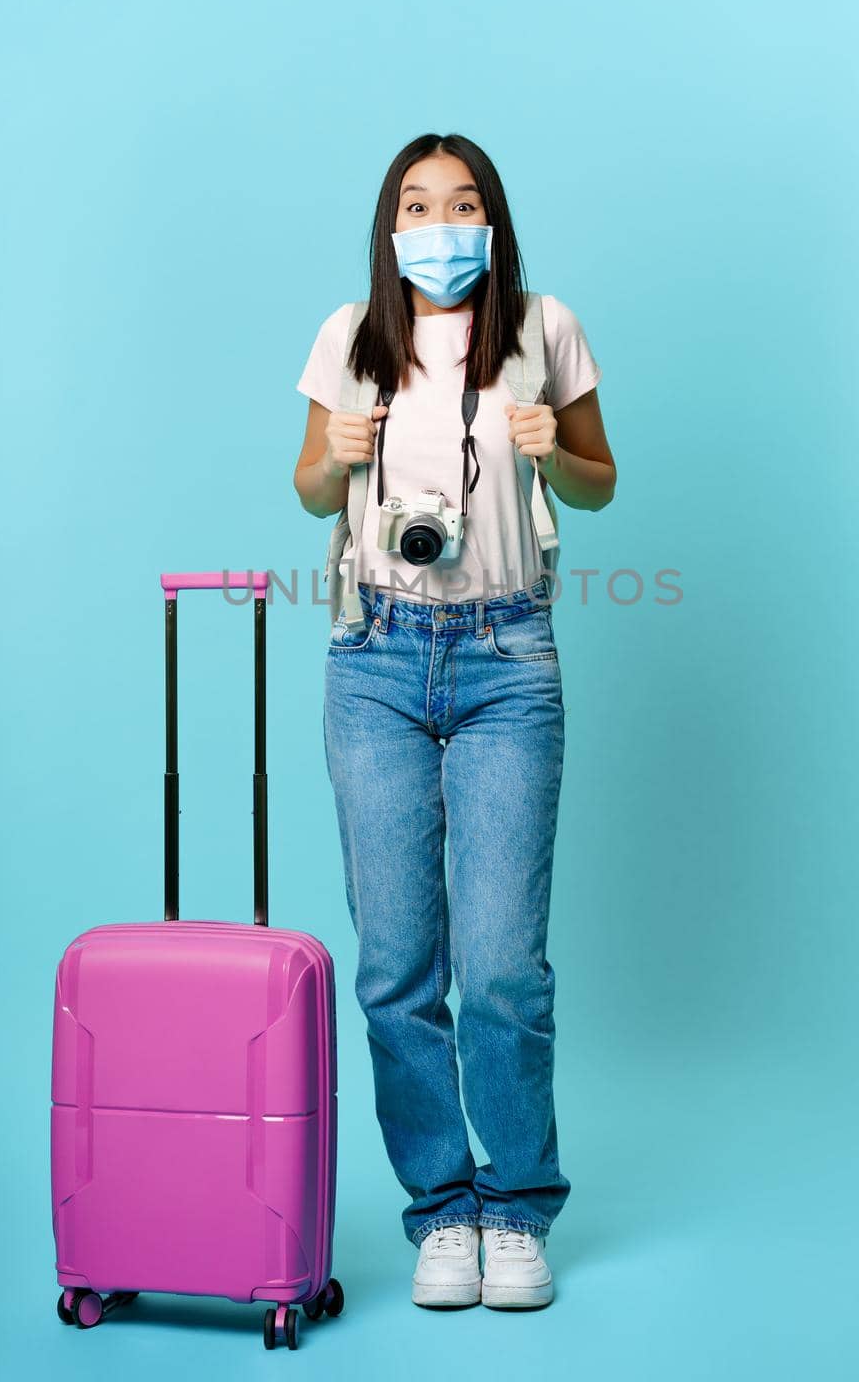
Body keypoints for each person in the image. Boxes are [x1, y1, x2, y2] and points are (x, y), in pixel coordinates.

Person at [293, 133, 616, 1311]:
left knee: (500, 968)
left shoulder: (544, 326)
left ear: (492, 221)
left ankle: (516, 1206)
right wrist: (333, 459)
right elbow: (310, 490)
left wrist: (551, 450)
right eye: (418, 203)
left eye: (462, 202)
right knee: (395, 964)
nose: (440, 222)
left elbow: (599, 480)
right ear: (389, 225)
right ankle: (439, 1209)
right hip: (373, 656)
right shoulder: (351, 335)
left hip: (505, 658)